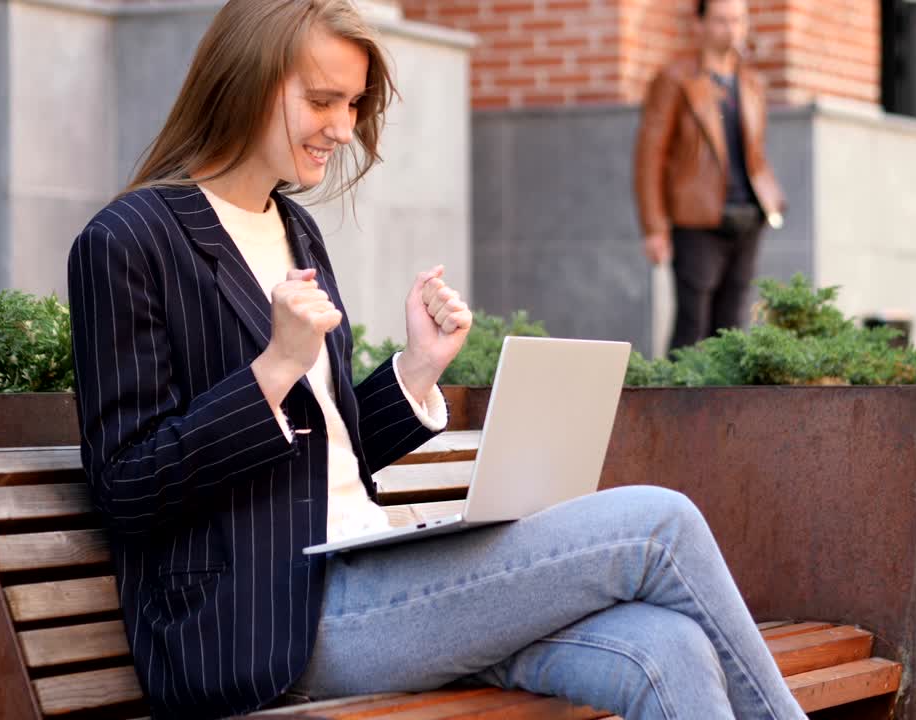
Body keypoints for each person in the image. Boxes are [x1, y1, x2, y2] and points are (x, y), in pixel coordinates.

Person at [66, 1, 806, 718]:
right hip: (271, 619)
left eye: (353, 104)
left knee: (665, 647)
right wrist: (273, 369)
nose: (343, 129)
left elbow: (324, 456)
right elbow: (128, 485)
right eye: (322, 101)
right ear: (245, 84)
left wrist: (416, 370)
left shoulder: (294, 228)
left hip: (375, 573)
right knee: (660, 523)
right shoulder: (129, 241)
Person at [634, 0, 788, 353]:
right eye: (720, 20)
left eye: (738, 20)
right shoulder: (674, 79)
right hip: (696, 218)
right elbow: (649, 155)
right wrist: (654, 227)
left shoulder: (751, 82)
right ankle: (676, 406)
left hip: (748, 217)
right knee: (692, 326)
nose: (731, 29)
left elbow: (755, 151)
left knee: (733, 328)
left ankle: (723, 406)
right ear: (699, 24)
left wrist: (770, 200)